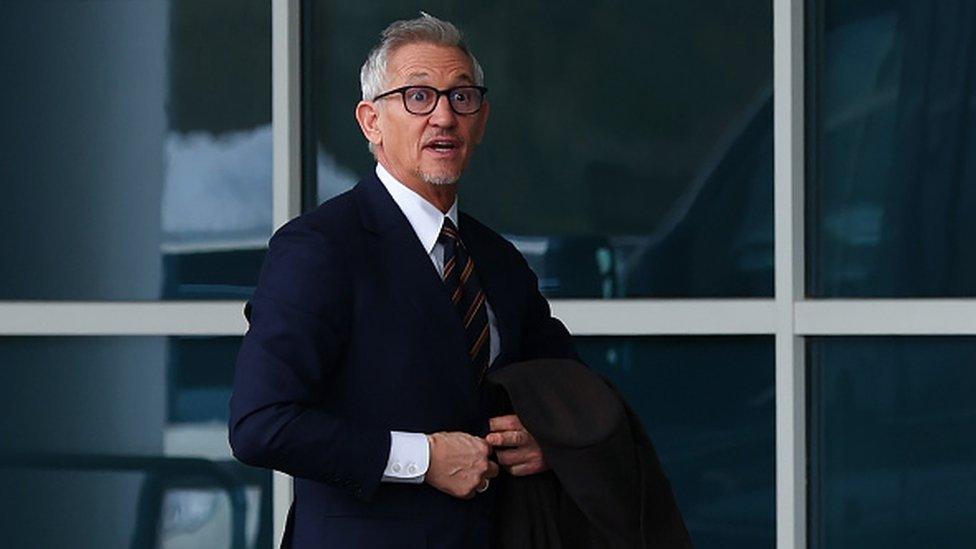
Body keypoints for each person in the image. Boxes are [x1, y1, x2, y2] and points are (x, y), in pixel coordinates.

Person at [229, 13, 579, 548]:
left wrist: (550, 438)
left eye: (461, 98)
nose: (443, 116)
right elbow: (261, 423)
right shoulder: (320, 249)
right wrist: (424, 459)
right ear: (371, 121)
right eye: (418, 96)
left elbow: (566, 388)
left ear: (481, 119)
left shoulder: (497, 258)